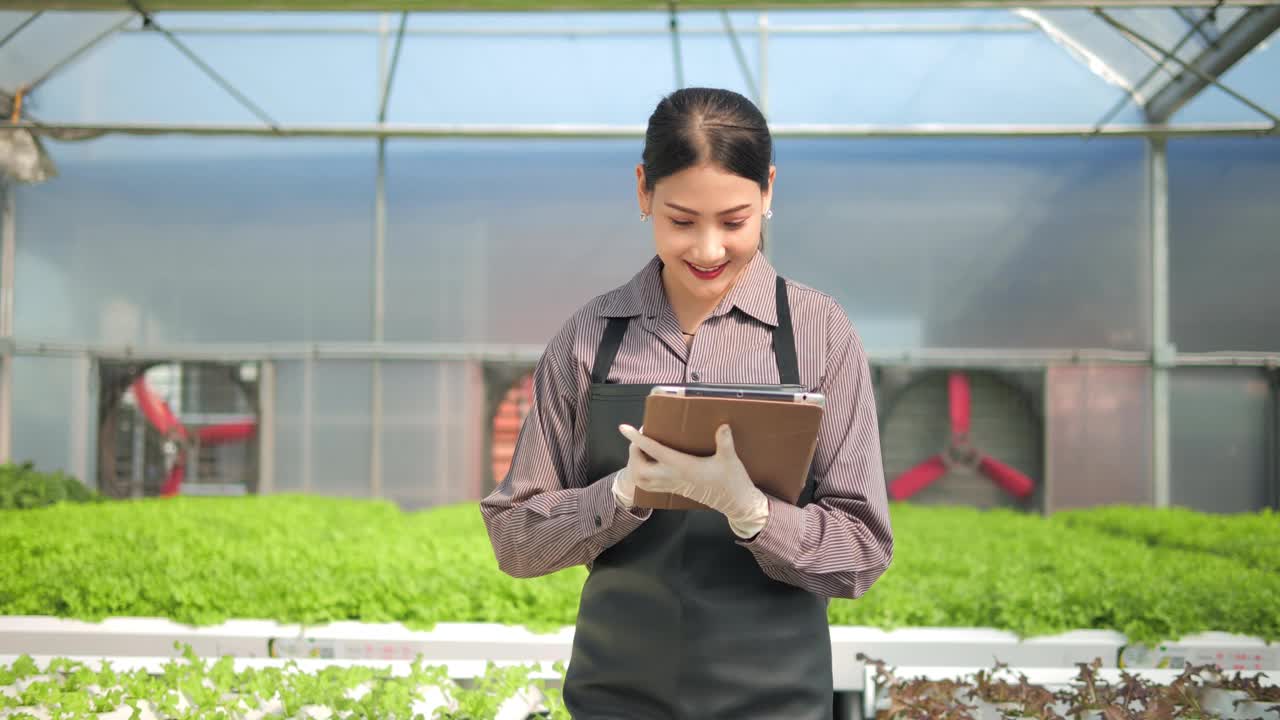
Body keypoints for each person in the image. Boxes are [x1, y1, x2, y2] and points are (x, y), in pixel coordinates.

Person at [480, 87, 894, 720]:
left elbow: (862, 549)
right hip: (616, 699)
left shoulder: (819, 333)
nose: (707, 250)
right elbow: (514, 538)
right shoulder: (591, 337)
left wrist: (753, 512)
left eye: (734, 222)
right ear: (643, 190)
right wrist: (619, 496)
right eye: (681, 220)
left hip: (775, 704)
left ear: (769, 192)